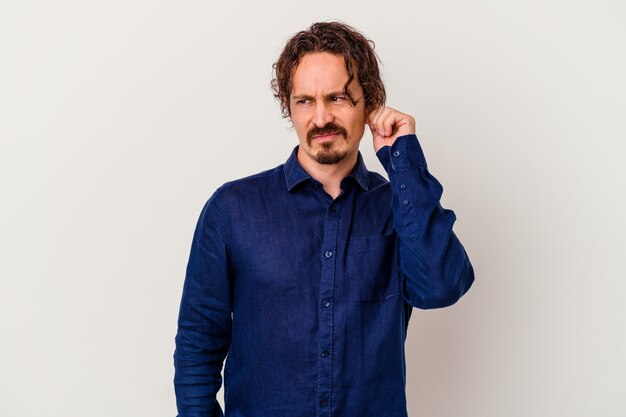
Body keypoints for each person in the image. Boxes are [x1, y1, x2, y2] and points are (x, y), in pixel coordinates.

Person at [173, 21, 474, 417]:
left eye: (338, 98)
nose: (321, 118)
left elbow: (441, 287)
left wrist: (403, 163)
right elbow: (199, 342)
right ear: (289, 106)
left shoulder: (398, 207)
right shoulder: (232, 209)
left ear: (369, 102)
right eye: (305, 101)